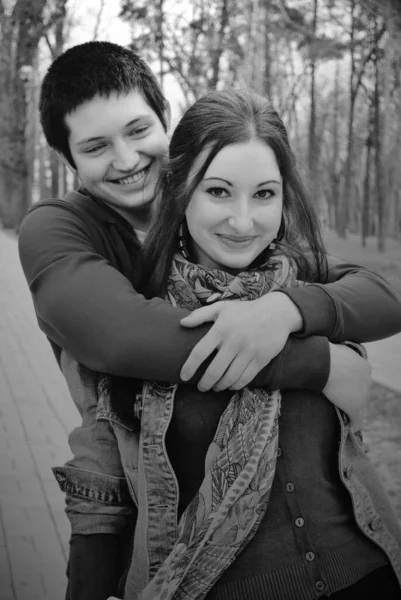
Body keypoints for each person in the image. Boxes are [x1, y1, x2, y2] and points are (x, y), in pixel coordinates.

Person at [16, 42, 401, 599]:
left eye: (137, 130)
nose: (126, 160)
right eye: (96, 146)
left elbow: (379, 293)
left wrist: (286, 308)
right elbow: (118, 342)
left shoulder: (281, 260)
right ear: (68, 158)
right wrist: (316, 362)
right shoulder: (63, 231)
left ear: (166, 129)